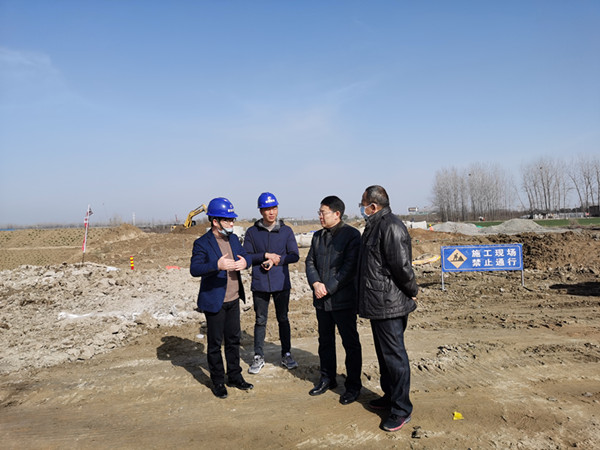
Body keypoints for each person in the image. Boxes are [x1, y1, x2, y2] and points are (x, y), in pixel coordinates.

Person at [357, 185, 419, 432]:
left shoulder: (391, 226)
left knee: (395, 357)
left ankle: (401, 409)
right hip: (378, 302)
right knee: (385, 356)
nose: (361, 208)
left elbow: (401, 267)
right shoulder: (375, 225)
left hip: (390, 303)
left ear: (373, 206)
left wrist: (412, 290)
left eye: (363, 204)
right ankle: (390, 396)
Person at [190, 197, 254, 399]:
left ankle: (235, 376)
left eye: (232, 219)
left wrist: (245, 263)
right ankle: (218, 381)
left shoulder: (233, 239)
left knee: (234, 340)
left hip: (233, 299)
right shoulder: (202, 243)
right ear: (215, 221)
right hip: (215, 301)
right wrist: (216, 266)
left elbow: (246, 255)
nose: (232, 223)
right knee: (215, 344)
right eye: (227, 220)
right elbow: (195, 269)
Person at [305, 196, 362, 405]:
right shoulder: (317, 236)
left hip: (343, 300)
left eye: (323, 212)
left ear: (337, 214)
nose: (320, 216)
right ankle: (327, 378)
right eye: (319, 212)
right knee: (325, 341)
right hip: (322, 301)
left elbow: (349, 268)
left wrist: (327, 288)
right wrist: (316, 284)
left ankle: (353, 385)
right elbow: (310, 262)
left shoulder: (351, 235)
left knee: (350, 343)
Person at [243, 192, 300, 373]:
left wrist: (277, 260)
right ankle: (258, 356)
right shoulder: (252, 232)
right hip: (260, 283)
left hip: (281, 282)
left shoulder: (286, 231)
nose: (271, 212)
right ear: (261, 211)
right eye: (267, 209)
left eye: (274, 208)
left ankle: (286, 353)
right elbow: (246, 257)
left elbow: (294, 255)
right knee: (260, 320)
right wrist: (265, 256)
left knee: (283, 318)